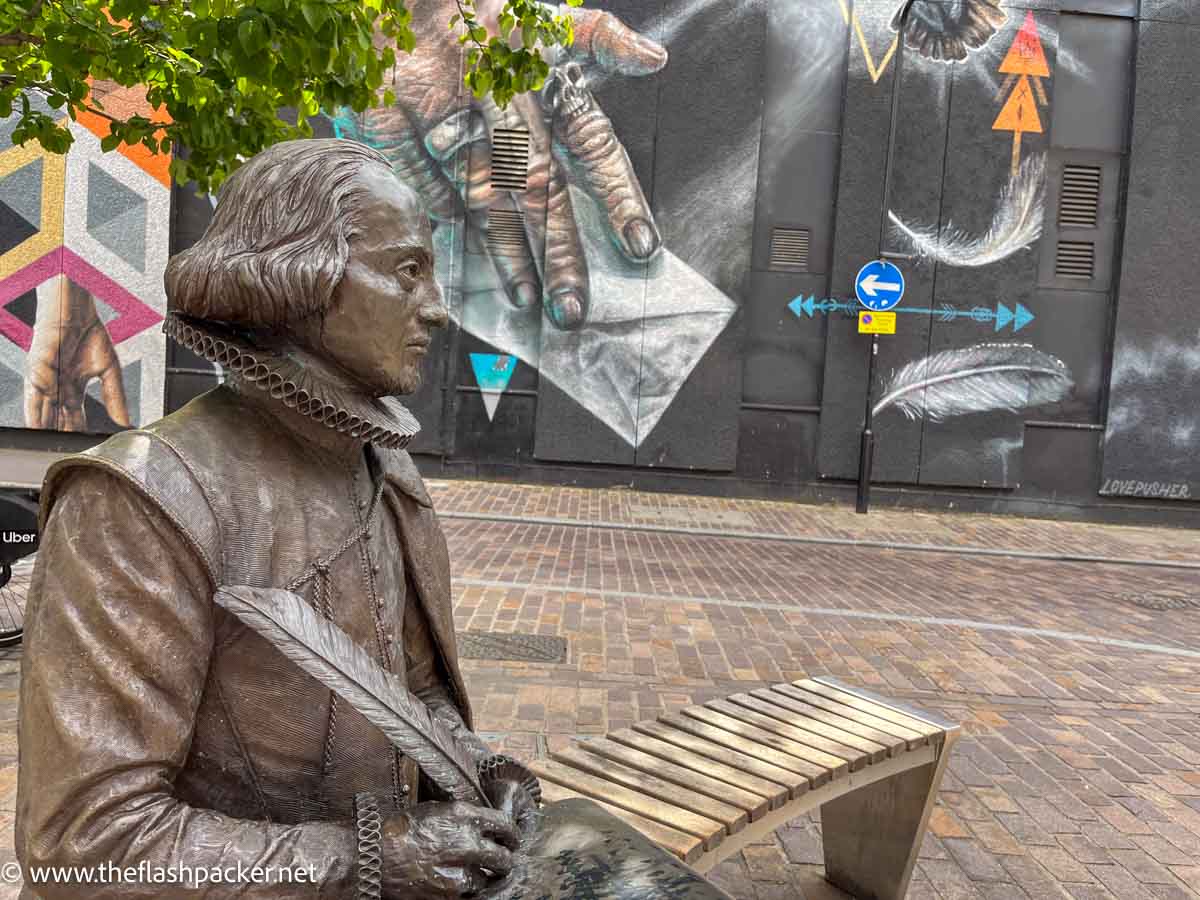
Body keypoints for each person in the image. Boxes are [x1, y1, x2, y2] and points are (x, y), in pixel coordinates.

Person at [15, 139, 534, 899]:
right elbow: (83, 843)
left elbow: (415, 695)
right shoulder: (140, 501)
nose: (438, 309)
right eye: (407, 271)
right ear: (299, 277)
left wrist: (479, 770)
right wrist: (365, 863)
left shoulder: (388, 471)